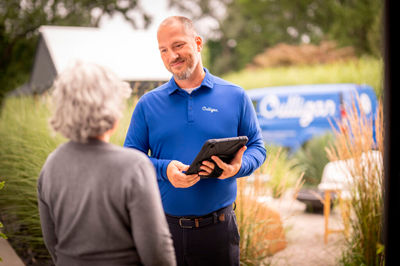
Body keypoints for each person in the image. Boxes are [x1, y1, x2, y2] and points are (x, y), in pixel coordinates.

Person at [124, 16, 266, 265]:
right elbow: (130, 159)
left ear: (198, 43)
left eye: (178, 46)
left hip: (218, 232)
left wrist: (237, 168)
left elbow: (257, 146)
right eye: (164, 50)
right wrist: (164, 169)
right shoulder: (148, 104)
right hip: (163, 230)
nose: (172, 56)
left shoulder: (235, 96)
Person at [37, 61, 176, 266]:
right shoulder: (133, 166)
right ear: (112, 109)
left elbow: (52, 243)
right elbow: (156, 251)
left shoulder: (51, 165)